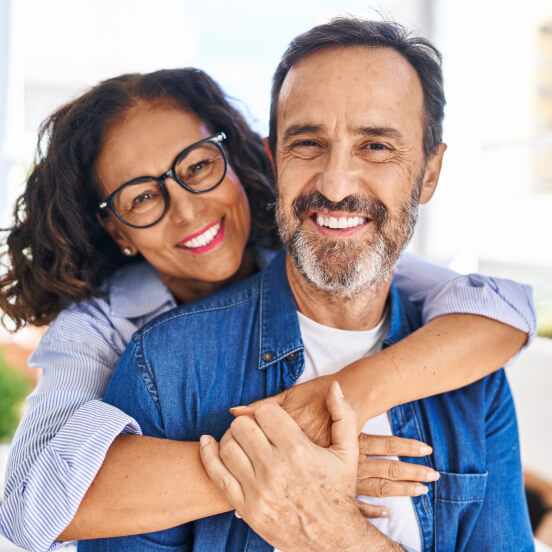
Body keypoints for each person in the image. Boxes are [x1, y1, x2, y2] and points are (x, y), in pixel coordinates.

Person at [0, 66, 533, 551]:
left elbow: (499, 309)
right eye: (141, 197)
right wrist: (284, 470)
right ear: (117, 230)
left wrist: (342, 396)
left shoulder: (317, 251)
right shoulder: (116, 336)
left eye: (199, 165)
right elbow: (28, 502)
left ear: (240, 159)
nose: (186, 208)